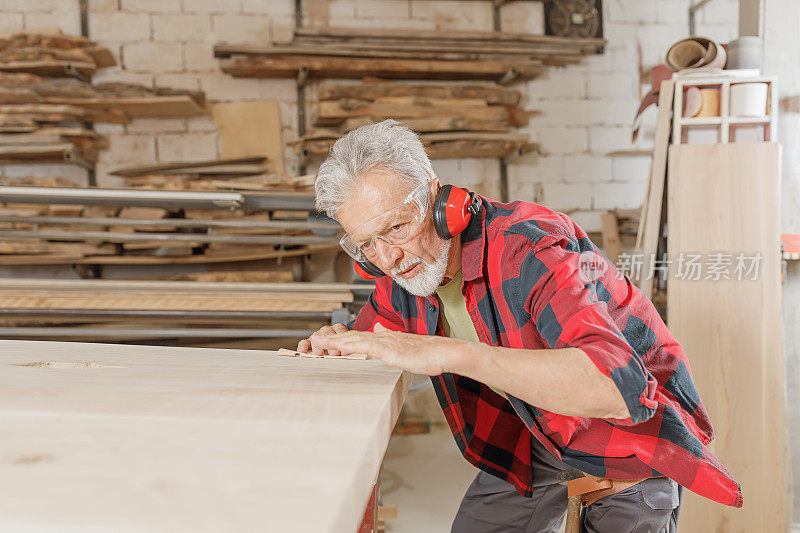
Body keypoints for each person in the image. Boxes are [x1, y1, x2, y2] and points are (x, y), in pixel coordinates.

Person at [297, 120, 742, 532]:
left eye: (395, 228)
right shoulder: (404, 273)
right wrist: (334, 343)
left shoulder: (531, 246)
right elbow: (370, 339)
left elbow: (617, 391)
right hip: (537, 442)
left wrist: (449, 354)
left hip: (625, 445)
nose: (387, 256)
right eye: (366, 244)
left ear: (438, 201)